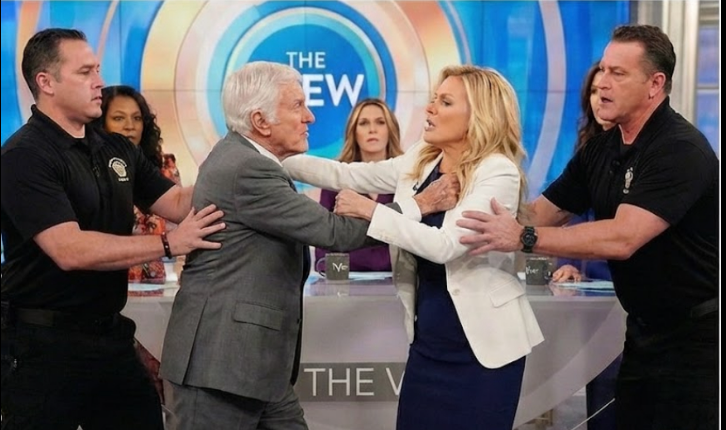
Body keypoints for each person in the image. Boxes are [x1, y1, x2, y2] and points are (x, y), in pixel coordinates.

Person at [158, 61, 457, 430]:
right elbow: (335, 233)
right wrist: (421, 204)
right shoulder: (248, 168)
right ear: (261, 121)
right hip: (220, 366)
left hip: (254, 365)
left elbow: (340, 185)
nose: (310, 117)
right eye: (298, 105)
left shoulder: (248, 157)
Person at [457, 24, 718, 430]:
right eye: (604, 69)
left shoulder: (679, 149)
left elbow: (623, 237)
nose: (603, 82)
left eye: (618, 73)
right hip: (641, 331)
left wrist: (523, 238)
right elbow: (540, 213)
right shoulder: (600, 149)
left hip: (698, 339)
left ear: (655, 84)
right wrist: (466, 209)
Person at [284, 65, 544, 430]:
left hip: (483, 351)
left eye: (445, 102)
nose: (430, 108)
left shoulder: (497, 171)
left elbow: (445, 246)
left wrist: (372, 211)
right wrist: (269, 157)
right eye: (434, 99)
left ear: (479, 115)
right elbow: (345, 174)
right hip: (428, 345)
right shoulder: (423, 158)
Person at [0, 28, 224, 430]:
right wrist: (167, 244)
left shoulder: (117, 149)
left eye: (98, 70)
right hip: (41, 347)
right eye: (85, 72)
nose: (99, 82)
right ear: (46, 82)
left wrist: (236, 157)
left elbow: (176, 203)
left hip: (110, 338)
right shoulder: (23, 156)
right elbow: (69, 249)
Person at [92, 84, 183, 405]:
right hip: (107, 288)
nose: (130, 126)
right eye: (118, 118)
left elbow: (179, 222)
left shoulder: (162, 166)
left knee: (159, 381)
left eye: (137, 118)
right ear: (101, 122)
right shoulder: (88, 169)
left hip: (156, 285)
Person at [548, 62, 620, 430]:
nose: (598, 97)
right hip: (591, 287)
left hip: (627, 283)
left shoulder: (649, 151)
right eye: (592, 91)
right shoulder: (586, 150)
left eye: (605, 89)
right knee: (600, 382)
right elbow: (569, 215)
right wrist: (567, 262)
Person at [315, 98, 403, 272]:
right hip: (345, 282)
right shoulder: (335, 181)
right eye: (364, 123)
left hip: (399, 281)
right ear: (353, 132)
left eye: (380, 122)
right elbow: (323, 253)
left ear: (390, 130)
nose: (372, 129)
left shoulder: (407, 178)